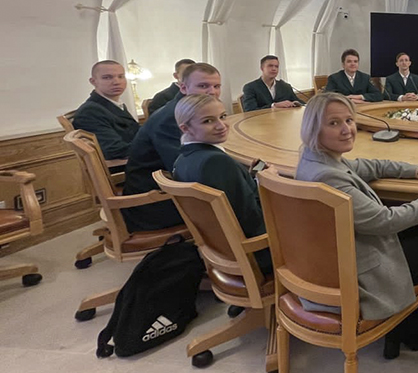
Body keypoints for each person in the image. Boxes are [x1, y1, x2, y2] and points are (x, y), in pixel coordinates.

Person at [295, 92, 418, 358]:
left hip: (337, 254)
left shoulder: (314, 159)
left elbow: (369, 166)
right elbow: (385, 221)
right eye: (333, 123)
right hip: (356, 271)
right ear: (313, 128)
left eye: (349, 120)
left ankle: (411, 327)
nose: (346, 129)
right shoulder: (329, 176)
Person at [172, 94, 272, 275]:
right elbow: (252, 221)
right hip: (257, 254)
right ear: (186, 128)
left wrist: (248, 178)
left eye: (223, 116)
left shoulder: (182, 160)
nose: (221, 125)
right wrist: (268, 184)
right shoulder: (216, 162)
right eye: (208, 121)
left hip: (221, 250)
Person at [122, 63, 222, 231]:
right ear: (183, 88)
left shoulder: (189, 111)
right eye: (203, 86)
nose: (212, 92)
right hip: (154, 204)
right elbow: (185, 171)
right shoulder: (172, 119)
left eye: (217, 86)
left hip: (167, 189)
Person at [72, 60, 140, 161]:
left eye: (121, 76)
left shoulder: (114, 104)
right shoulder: (90, 112)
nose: (116, 82)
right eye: (107, 77)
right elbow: (114, 150)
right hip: (127, 166)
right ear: (93, 81)